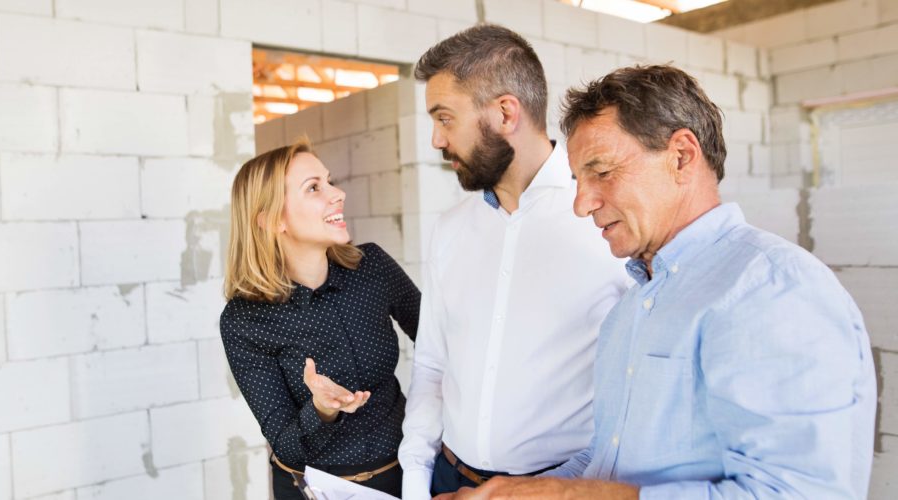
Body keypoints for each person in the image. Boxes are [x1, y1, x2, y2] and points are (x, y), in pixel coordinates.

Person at [439, 65, 877, 499]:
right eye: (578, 179)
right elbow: (606, 459)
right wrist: (507, 493)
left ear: (682, 156)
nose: (581, 204)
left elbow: (796, 493)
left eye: (603, 171)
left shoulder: (773, 290)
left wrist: (564, 495)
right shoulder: (632, 308)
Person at [398, 24, 629, 500]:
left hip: (556, 487)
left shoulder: (607, 220)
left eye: (445, 118)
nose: (437, 141)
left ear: (506, 112)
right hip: (448, 481)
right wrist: (417, 480)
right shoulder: (449, 229)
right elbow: (432, 366)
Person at [219, 140, 420, 499]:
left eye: (329, 181)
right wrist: (321, 410)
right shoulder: (244, 320)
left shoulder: (372, 266)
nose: (337, 193)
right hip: (311, 491)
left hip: (403, 478)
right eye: (314, 188)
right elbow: (286, 445)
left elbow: (442, 346)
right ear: (271, 219)